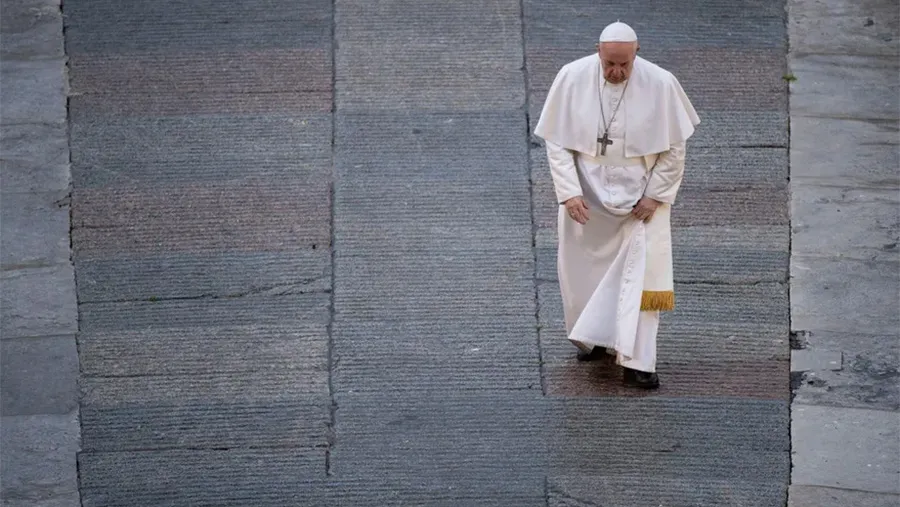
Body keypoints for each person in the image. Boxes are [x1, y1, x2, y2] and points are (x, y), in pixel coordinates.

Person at [533, 21, 700, 389]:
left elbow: (675, 148)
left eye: (625, 64)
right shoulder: (572, 77)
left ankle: (639, 362)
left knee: (642, 279)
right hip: (587, 197)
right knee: (583, 273)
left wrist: (655, 194)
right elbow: (557, 142)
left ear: (636, 54)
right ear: (598, 52)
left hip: (642, 200)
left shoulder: (661, 83)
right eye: (609, 64)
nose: (617, 72)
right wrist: (569, 192)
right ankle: (592, 336)